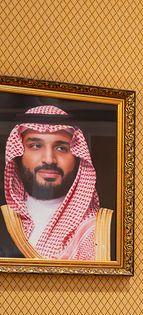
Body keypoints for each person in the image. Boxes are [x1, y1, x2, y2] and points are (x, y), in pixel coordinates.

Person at [1, 105, 115, 261]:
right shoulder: (5, 220)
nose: (49, 159)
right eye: (36, 146)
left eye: (61, 148)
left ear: (77, 158)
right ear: (18, 155)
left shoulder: (99, 228)